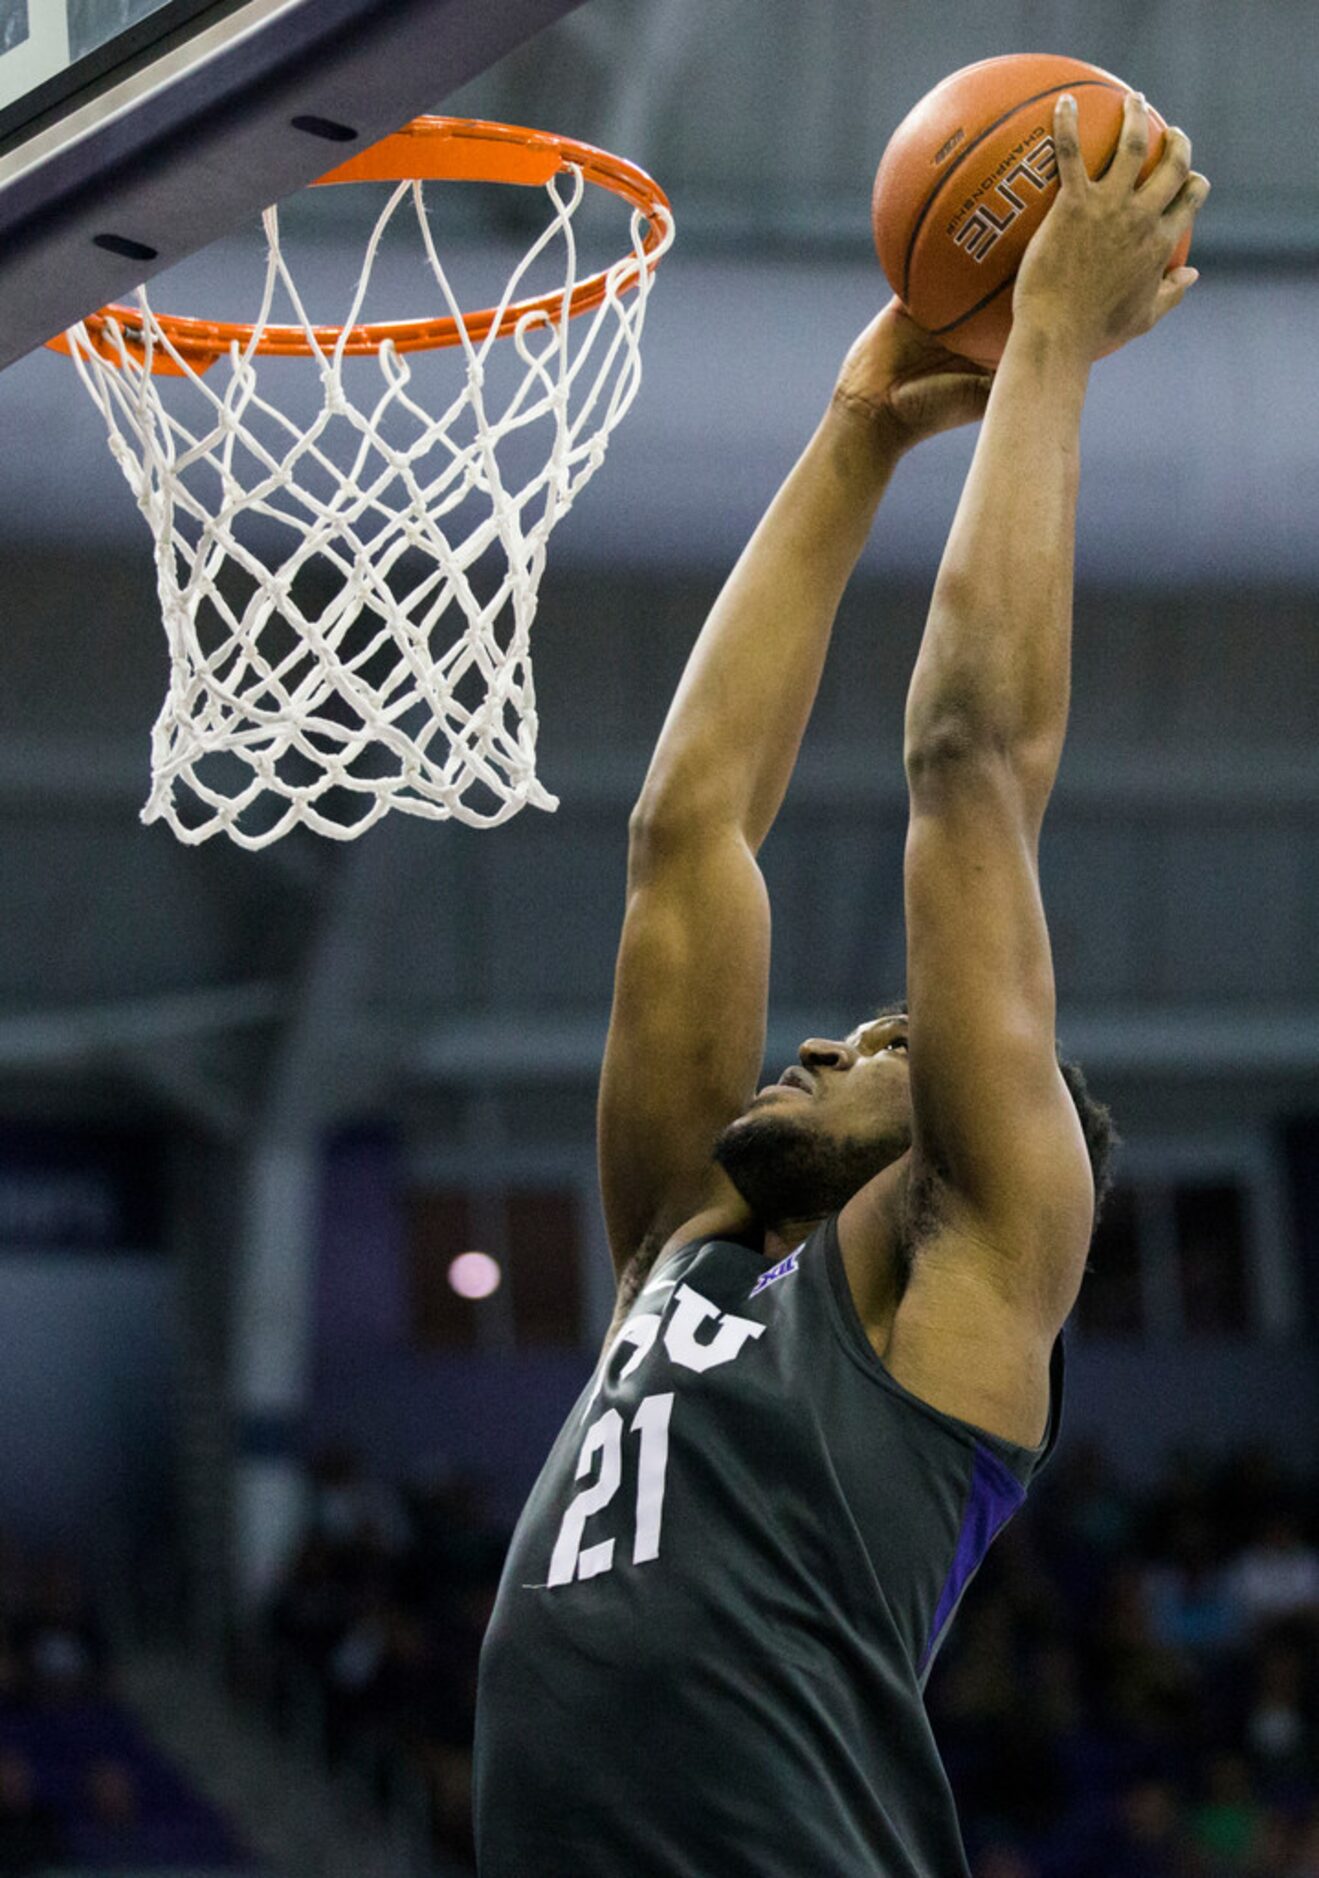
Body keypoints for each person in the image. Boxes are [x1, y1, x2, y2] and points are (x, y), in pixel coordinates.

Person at [473, 92, 1209, 1876]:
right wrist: (859, 432)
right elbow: (686, 829)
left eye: (887, 1040)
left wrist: (1051, 341)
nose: (823, 1035)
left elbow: (968, 757)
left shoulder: (979, 1265)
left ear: (966, 1123)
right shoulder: (684, 1243)